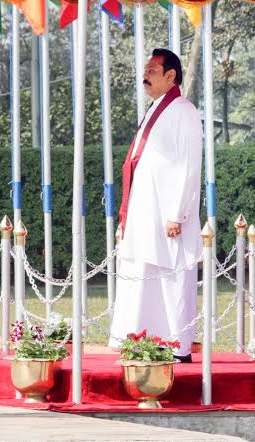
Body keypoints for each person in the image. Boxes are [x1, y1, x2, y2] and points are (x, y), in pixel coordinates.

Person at [109, 49, 203, 362]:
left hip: (168, 216)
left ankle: (177, 346)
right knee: (142, 273)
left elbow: (189, 166)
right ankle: (142, 339)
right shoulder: (156, 108)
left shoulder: (183, 110)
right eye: (145, 69)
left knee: (171, 275)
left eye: (151, 70)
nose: (145, 75)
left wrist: (178, 213)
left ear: (170, 75)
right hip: (144, 212)